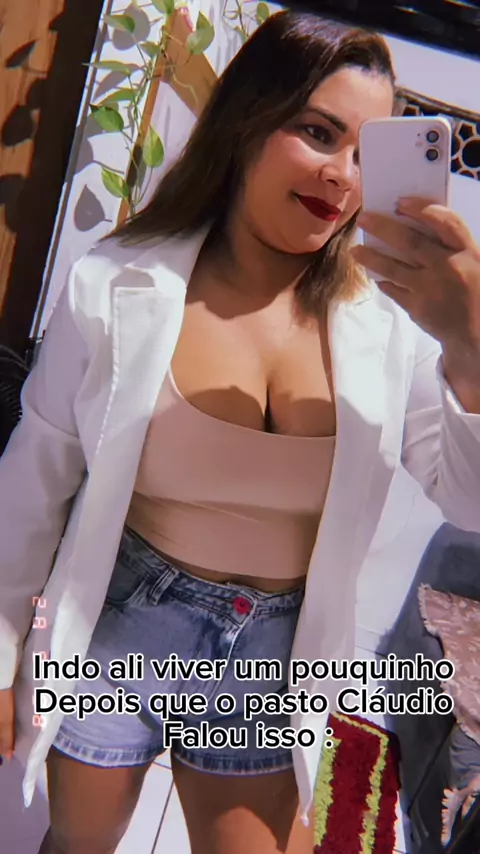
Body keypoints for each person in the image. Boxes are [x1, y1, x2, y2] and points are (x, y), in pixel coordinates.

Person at [0, 9, 479, 854]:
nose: (342, 176)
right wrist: (3, 655)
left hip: (272, 654)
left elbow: (467, 503)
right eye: (318, 133)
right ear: (248, 120)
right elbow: (34, 482)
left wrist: (469, 348)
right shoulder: (117, 284)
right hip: (118, 626)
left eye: (366, 154)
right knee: (78, 843)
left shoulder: (387, 325)